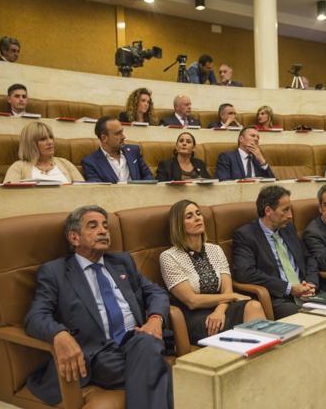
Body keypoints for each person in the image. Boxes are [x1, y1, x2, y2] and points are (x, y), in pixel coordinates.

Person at [24, 205, 172, 408]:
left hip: (136, 339)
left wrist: (155, 319)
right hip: (98, 353)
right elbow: (36, 316)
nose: (103, 230)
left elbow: (155, 292)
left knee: (147, 344)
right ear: (74, 238)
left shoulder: (122, 262)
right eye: (93, 226)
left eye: (105, 226)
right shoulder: (55, 272)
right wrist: (59, 334)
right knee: (155, 363)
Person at [160, 200, 265, 344]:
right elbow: (192, 301)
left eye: (198, 214)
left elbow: (226, 290)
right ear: (178, 225)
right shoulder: (169, 256)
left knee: (254, 306)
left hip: (222, 308)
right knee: (238, 330)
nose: (197, 218)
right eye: (189, 216)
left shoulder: (215, 249)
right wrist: (233, 297)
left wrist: (220, 310)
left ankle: (261, 360)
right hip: (193, 315)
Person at [233, 186, 319, 319]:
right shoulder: (245, 235)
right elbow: (245, 273)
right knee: (312, 318)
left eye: (290, 209)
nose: (290, 215)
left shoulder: (287, 228)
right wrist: (289, 288)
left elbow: (309, 258)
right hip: (279, 298)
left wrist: (311, 284)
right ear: (268, 211)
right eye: (285, 210)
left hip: (306, 293)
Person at [3, 122, 84, 183]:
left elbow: (84, 188)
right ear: (30, 143)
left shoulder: (65, 163)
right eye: (43, 139)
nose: (50, 142)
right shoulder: (18, 167)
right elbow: (9, 196)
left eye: (51, 137)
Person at [82, 116, 153, 183]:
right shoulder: (90, 162)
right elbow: (98, 189)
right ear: (104, 138)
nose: (124, 137)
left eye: (122, 132)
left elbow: (148, 176)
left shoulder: (134, 151)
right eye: (118, 133)